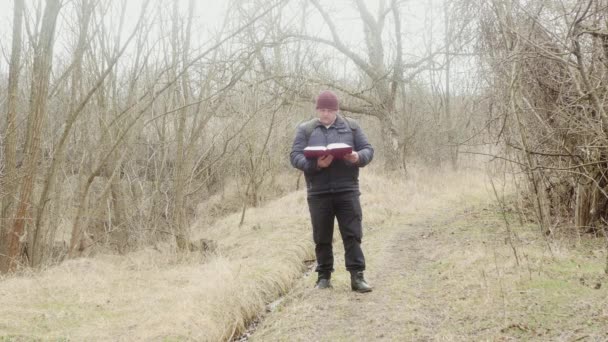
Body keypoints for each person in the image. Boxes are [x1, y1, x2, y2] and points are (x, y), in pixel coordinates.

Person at [290, 90, 374, 292]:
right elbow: (294, 156)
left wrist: (357, 157)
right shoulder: (305, 130)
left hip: (347, 189)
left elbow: (368, 150)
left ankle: (357, 277)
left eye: (329, 110)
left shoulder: (352, 127)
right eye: (322, 109)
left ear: (336, 110)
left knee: (352, 234)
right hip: (318, 192)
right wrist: (315, 165)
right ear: (317, 109)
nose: (325, 113)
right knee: (322, 236)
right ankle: (324, 277)